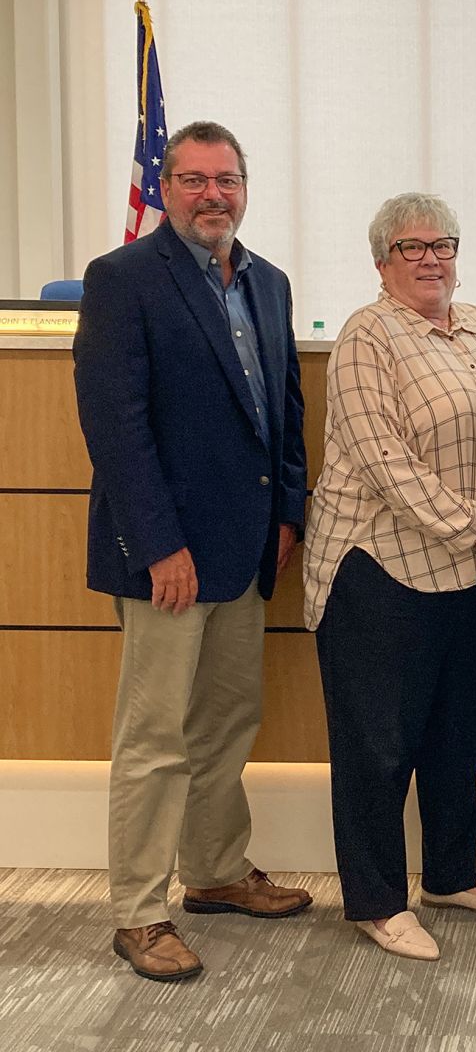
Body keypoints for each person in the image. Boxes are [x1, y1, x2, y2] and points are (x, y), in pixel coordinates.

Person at [72, 120, 310, 983]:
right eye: (194, 179)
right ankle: (139, 912)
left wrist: (288, 515)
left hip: (247, 552)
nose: (214, 195)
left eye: (228, 180)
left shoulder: (270, 283)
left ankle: (213, 873)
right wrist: (158, 543)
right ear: (164, 188)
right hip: (165, 555)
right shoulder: (124, 279)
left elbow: (284, 412)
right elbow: (115, 425)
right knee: (155, 737)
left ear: (246, 188)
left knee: (225, 726)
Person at [303, 193, 476, 962]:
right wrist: (475, 521)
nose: (431, 258)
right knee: (377, 742)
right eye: (411, 248)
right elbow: (381, 458)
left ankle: (452, 874)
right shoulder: (368, 335)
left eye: (443, 244)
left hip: (471, 569)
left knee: (458, 732)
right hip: (379, 567)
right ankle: (374, 899)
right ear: (381, 262)